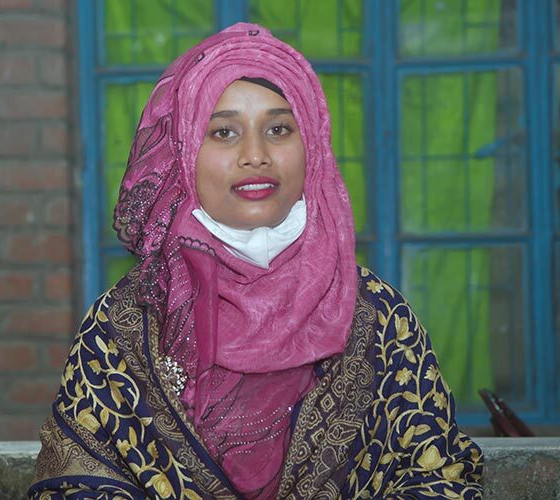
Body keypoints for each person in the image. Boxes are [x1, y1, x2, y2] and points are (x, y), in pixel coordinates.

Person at [29, 23, 483, 499]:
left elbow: (439, 476)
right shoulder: (121, 328)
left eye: (279, 129)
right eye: (224, 132)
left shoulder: (376, 315)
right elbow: (74, 484)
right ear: (183, 154)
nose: (256, 155)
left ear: (312, 145)